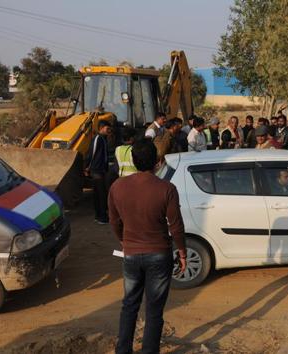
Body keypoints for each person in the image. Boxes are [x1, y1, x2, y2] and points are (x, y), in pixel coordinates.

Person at [108, 139, 187, 354]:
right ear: (157, 162)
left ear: (133, 161)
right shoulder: (167, 188)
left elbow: (114, 222)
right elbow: (176, 226)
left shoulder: (117, 187)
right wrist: (182, 252)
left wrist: (123, 242)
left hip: (131, 255)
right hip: (159, 255)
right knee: (154, 310)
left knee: (129, 306)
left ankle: (123, 350)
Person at [85, 120, 112, 224]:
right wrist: (87, 167)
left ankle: (101, 215)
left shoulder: (104, 139)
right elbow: (92, 153)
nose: (109, 130)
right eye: (107, 128)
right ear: (101, 128)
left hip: (101, 170)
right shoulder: (97, 138)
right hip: (96, 171)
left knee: (100, 193)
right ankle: (101, 217)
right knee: (100, 194)